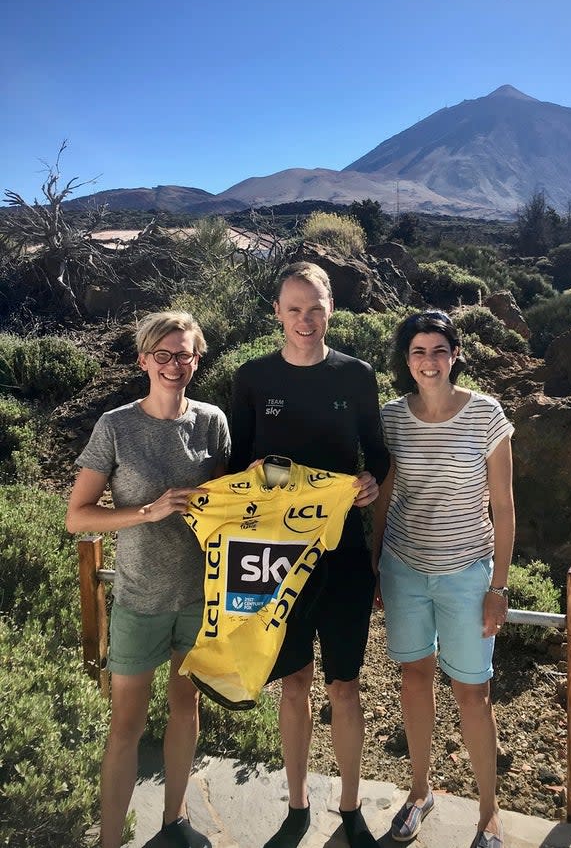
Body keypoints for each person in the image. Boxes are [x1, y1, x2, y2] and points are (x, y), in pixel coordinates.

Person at [230, 261, 390, 848]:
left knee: (345, 686)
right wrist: (250, 477)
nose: (305, 319)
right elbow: (235, 465)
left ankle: (350, 807)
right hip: (275, 556)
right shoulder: (251, 378)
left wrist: (369, 485)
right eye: (294, 308)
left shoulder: (358, 376)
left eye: (315, 307)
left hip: (344, 554)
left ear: (331, 310)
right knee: (294, 684)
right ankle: (296, 804)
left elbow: (376, 454)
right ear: (276, 312)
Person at [66, 311, 231, 848]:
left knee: (187, 710)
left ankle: (173, 822)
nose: (173, 364)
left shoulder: (212, 422)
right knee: (126, 728)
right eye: (162, 354)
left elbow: (231, 506)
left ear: (197, 358)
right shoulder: (116, 426)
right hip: (139, 597)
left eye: (184, 353)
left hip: (198, 596)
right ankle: (110, 840)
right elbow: (78, 516)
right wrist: (146, 512)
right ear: (143, 360)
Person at [371, 310, 515, 848]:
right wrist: (375, 560)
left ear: (455, 355)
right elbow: (385, 494)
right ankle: (419, 791)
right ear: (405, 360)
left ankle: (488, 813)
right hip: (404, 567)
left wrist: (498, 588)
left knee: (473, 693)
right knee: (413, 681)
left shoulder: (486, 415)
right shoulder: (390, 416)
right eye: (417, 351)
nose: (428, 361)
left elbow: (503, 505)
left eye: (438, 350)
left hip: (467, 574)